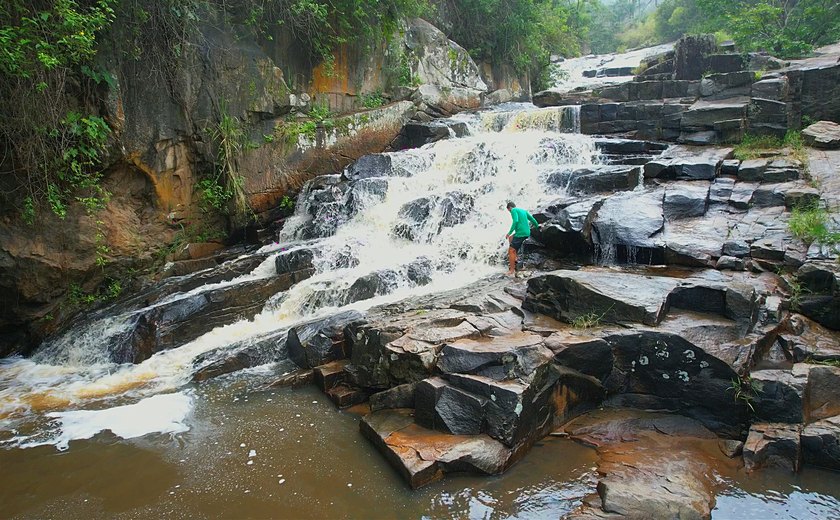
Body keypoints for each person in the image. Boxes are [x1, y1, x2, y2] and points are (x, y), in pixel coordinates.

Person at [504, 201, 538, 276]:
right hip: (527, 232)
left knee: (511, 250)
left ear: (510, 208)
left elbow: (515, 221)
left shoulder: (513, 210)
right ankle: (515, 258)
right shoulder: (523, 211)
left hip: (521, 233)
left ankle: (511, 270)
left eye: (509, 211)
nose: (510, 212)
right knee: (511, 238)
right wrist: (537, 227)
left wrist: (509, 232)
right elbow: (532, 219)